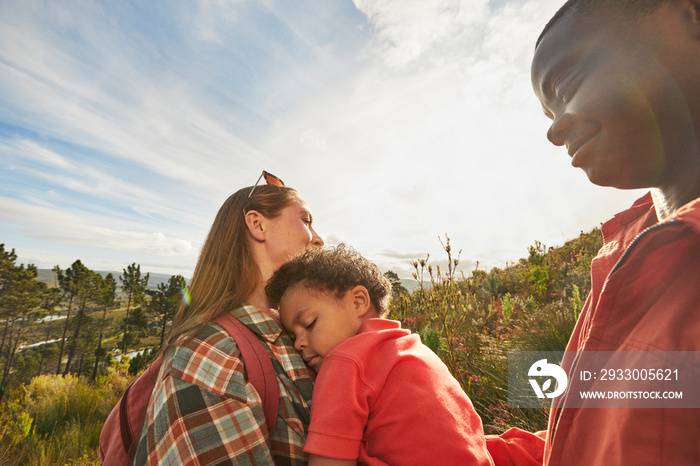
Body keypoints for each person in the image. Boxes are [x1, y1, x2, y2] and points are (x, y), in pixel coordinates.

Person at [525, 1, 700, 464]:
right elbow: (588, 441)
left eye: (567, 85)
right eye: (549, 114)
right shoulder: (621, 255)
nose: (555, 132)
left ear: (689, 17)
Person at [134, 171, 324, 465]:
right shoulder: (206, 359)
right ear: (257, 224)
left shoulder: (295, 333)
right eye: (306, 220)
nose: (319, 239)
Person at [265, 244, 495, 466]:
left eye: (309, 323)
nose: (299, 343)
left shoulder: (345, 360)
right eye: (292, 336)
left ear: (358, 301)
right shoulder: (413, 347)